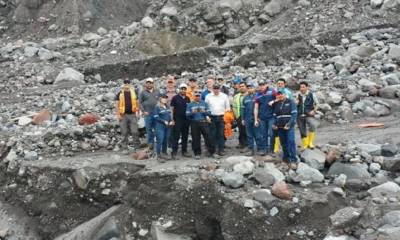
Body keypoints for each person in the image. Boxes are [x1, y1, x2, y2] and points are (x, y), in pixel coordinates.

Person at [186, 91, 219, 159]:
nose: (197, 97)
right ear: (193, 96)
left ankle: (212, 152)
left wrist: (204, 111)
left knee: (208, 137)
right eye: (196, 96)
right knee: (195, 138)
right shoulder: (190, 104)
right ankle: (197, 153)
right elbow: (187, 115)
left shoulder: (204, 103)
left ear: (200, 96)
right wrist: (193, 112)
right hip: (194, 123)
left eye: (198, 96)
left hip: (204, 122)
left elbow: (209, 113)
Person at [272, 91, 298, 169]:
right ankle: (286, 158)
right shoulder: (277, 104)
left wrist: (289, 124)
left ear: (285, 94)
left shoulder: (291, 102)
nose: (280, 96)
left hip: (289, 127)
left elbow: (294, 115)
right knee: (283, 143)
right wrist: (274, 124)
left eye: (281, 94)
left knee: (291, 141)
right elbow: (275, 116)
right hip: (280, 127)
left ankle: (293, 160)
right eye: (279, 94)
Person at [114, 79, 141, 149]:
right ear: (123, 84)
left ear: (130, 84)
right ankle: (124, 147)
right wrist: (118, 115)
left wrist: (138, 113)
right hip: (123, 115)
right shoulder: (120, 93)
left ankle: (137, 147)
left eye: (128, 83)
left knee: (135, 131)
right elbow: (116, 105)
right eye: (125, 83)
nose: (127, 84)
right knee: (124, 132)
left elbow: (138, 103)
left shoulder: (134, 92)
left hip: (133, 114)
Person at [205, 84, 231, 156]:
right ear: (212, 89)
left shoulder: (224, 96)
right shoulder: (208, 96)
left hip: (221, 117)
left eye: (217, 88)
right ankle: (213, 150)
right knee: (212, 134)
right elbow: (206, 107)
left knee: (221, 134)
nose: (216, 90)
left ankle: (221, 150)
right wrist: (207, 116)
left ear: (219, 89)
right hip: (211, 117)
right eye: (215, 88)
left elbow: (228, 108)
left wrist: (226, 117)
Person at [254, 80, 277, 155]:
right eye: (260, 85)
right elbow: (256, 108)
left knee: (271, 133)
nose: (262, 86)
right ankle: (264, 149)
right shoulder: (257, 94)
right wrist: (255, 119)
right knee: (263, 134)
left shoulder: (272, 91)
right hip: (262, 118)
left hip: (271, 117)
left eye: (263, 85)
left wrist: (273, 101)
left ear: (266, 85)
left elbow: (279, 98)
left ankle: (271, 150)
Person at [170, 83, 191, 159]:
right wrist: (172, 119)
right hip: (177, 120)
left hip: (186, 120)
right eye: (182, 88)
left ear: (186, 90)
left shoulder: (188, 98)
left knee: (185, 136)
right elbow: (171, 109)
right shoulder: (175, 98)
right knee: (176, 136)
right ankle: (174, 152)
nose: (183, 90)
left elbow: (189, 109)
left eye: (184, 89)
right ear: (179, 89)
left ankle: (184, 151)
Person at [138, 78, 161, 150]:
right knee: (149, 129)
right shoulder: (143, 92)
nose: (149, 84)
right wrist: (143, 111)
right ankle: (150, 144)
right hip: (147, 114)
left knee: (158, 129)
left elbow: (161, 101)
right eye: (147, 83)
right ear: (146, 84)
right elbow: (139, 102)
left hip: (156, 114)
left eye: (150, 83)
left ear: (153, 84)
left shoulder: (157, 91)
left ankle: (158, 143)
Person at [297, 81, 319, 149]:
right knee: (302, 129)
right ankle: (305, 144)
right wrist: (296, 102)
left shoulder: (312, 94)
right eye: (301, 87)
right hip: (300, 114)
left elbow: (317, 103)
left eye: (303, 87)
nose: (302, 89)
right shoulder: (298, 95)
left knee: (312, 125)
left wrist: (314, 111)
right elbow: (296, 103)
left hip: (309, 114)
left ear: (307, 87)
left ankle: (310, 142)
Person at [152, 94, 174, 162]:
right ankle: (158, 155)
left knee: (165, 140)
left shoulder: (167, 107)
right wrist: (163, 121)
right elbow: (155, 117)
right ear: (160, 99)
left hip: (167, 127)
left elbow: (170, 116)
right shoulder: (157, 107)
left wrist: (171, 121)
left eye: (166, 98)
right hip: (160, 126)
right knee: (160, 140)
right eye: (163, 98)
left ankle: (164, 153)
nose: (165, 99)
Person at [241, 83, 257, 156]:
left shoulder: (257, 96)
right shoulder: (245, 98)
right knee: (249, 135)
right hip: (247, 119)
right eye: (248, 88)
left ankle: (260, 149)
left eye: (251, 87)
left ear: (254, 88)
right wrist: (242, 119)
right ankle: (251, 149)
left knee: (258, 134)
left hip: (256, 119)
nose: (250, 89)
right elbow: (243, 109)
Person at [232, 82, 247, 149]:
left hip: (247, 116)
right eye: (240, 86)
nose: (241, 87)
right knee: (241, 130)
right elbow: (234, 106)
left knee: (247, 130)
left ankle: (248, 144)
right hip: (239, 115)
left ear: (245, 87)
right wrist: (236, 115)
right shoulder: (236, 96)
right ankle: (241, 143)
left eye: (243, 86)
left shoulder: (249, 95)